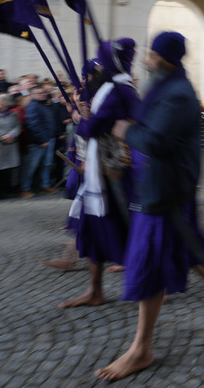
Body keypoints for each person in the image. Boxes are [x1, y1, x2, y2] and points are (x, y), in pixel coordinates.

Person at [98, 32, 204, 381]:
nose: (146, 60)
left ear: (166, 59)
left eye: (151, 55)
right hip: (157, 187)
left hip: (165, 191)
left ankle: (141, 349)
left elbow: (155, 142)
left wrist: (124, 130)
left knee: (149, 265)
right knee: (179, 250)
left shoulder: (176, 94)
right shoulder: (164, 89)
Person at [61, 38, 140, 308]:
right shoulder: (111, 88)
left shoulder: (120, 90)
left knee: (132, 229)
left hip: (117, 172)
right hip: (100, 171)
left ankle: (157, 282)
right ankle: (95, 290)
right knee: (93, 228)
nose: (95, 70)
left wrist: (81, 119)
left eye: (99, 64)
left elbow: (94, 128)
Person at [20, 84, 57, 197]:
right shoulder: (33, 106)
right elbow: (33, 124)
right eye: (39, 93)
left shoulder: (44, 105)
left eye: (43, 93)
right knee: (31, 166)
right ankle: (25, 188)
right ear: (32, 94)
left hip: (49, 139)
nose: (42, 95)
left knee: (46, 164)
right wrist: (41, 140)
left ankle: (44, 185)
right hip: (38, 142)